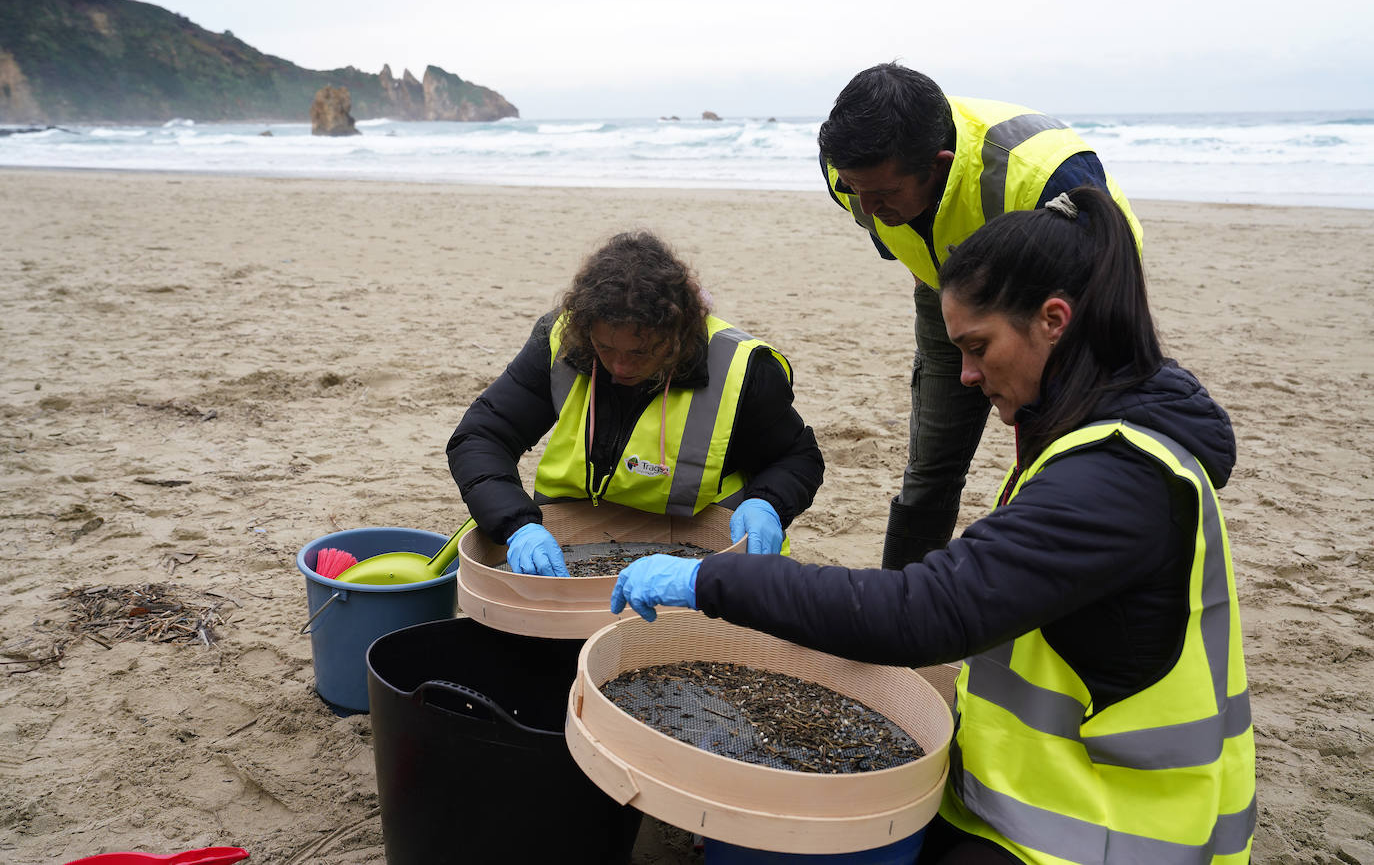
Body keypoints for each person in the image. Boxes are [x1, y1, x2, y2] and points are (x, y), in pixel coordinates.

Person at [611, 187, 1255, 864]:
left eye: (978, 347)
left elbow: (925, 611)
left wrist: (713, 579)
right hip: (1032, 795)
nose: (969, 376)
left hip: (1107, 833)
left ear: (1053, 319)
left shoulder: (1114, 481)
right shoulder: (1095, 434)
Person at [817, 62, 1143, 570]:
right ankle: (903, 612)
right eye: (857, 189)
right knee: (930, 468)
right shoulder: (849, 170)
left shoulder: (1041, 175)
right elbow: (900, 233)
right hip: (946, 286)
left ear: (940, 165)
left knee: (1055, 457)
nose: (868, 206)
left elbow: (1100, 282)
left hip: (1073, 301)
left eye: (883, 195)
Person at [446, 230, 825, 576]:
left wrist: (767, 505)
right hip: (571, 548)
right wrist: (517, 524)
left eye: (642, 351)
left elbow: (796, 457)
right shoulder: (561, 339)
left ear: (678, 334)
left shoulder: (741, 368)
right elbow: (481, 436)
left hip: (704, 562)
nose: (620, 366)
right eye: (606, 347)